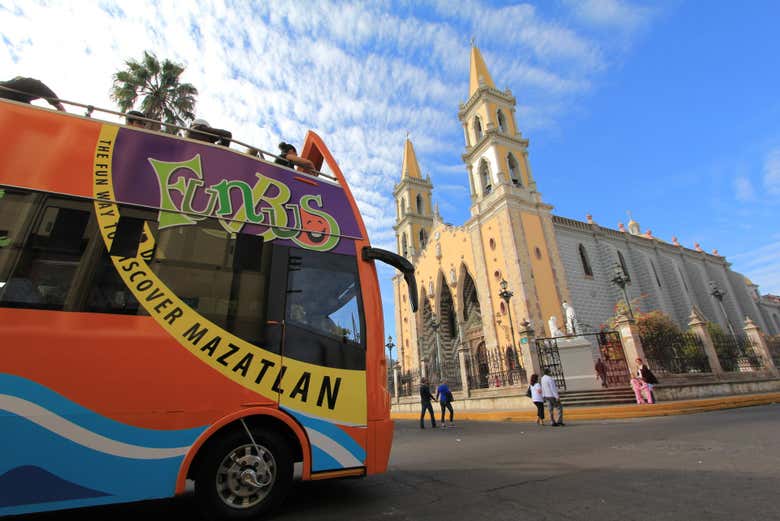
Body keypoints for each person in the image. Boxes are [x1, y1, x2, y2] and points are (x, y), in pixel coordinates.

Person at [0, 76, 65, 111]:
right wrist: (59, 106)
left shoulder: (19, 101)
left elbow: (34, 85)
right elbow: (35, 85)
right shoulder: (9, 88)